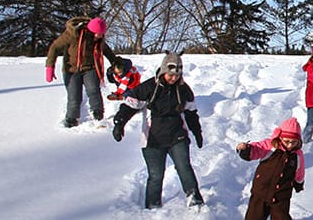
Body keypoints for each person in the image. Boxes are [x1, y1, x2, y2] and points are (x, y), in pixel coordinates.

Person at [112, 52, 205, 209]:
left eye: (177, 75)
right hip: (153, 138)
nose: (173, 78)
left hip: (177, 135)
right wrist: (119, 123)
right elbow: (129, 105)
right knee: (156, 175)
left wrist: (197, 131)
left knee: (184, 167)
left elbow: (190, 113)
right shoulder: (149, 87)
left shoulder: (183, 89)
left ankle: (194, 199)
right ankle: (152, 205)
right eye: (170, 74)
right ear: (163, 71)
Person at [235, 117, 306, 220]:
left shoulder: (297, 155)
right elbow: (255, 150)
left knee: (282, 219)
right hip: (261, 191)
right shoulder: (269, 147)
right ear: (280, 137)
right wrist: (245, 149)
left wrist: (299, 183)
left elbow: (299, 170)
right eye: (287, 141)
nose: (290, 145)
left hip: (282, 195)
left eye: (294, 142)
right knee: (254, 216)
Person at [45, 16, 118, 127]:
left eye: (101, 34)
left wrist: (116, 63)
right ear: (90, 30)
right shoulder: (73, 34)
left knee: (94, 90)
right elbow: (55, 47)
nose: (99, 36)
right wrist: (50, 67)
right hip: (71, 70)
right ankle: (71, 120)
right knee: (74, 97)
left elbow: (107, 51)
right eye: (97, 33)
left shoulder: (98, 40)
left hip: (90, 68)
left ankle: (98, 115)